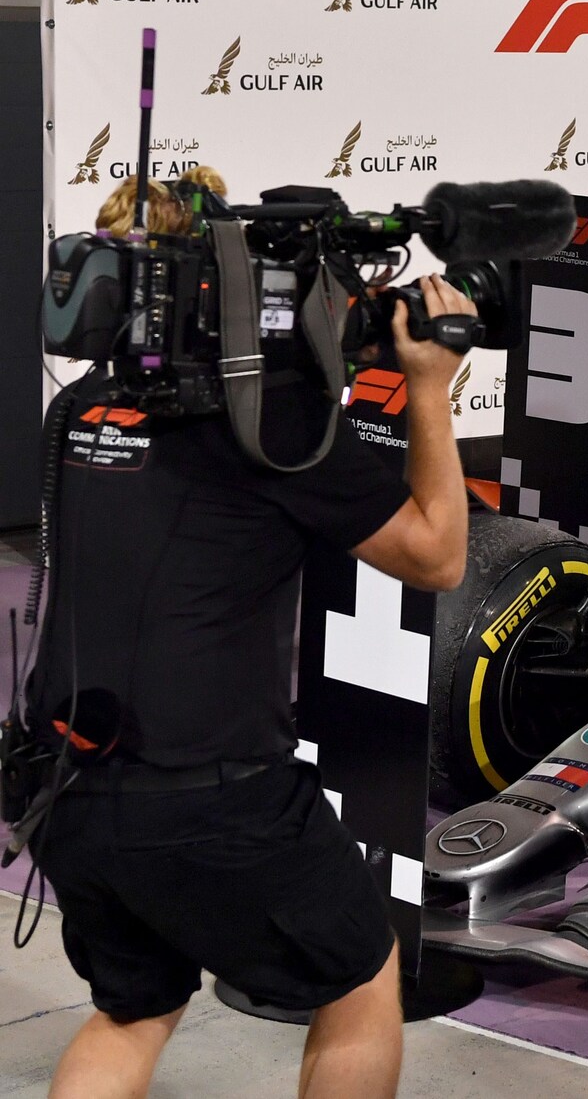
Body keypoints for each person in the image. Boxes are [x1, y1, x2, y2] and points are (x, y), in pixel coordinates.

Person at [27, 172, 476, 1099]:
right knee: (361, 975)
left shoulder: (80, 409)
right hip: (217, 802)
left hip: (68, 789)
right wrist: (431, 386)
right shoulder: (268, 423)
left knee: (134, 1009)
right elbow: (436, 554)